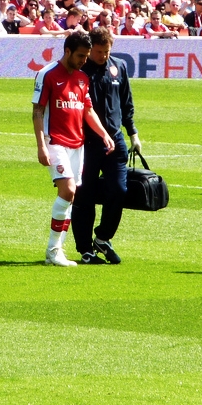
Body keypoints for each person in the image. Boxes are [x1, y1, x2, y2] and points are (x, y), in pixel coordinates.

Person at [32, 31, 115, 267]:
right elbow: (37, 111)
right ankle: (53, 250)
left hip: (77, 144)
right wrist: (41, 145)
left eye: (86, 56)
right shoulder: (47, 74)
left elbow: (87, 110)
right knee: (67, 191)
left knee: (70, 197)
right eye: (80, 56)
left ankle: (57, 250)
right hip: (55, 141)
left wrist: (104, 134)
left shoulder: (82, 78)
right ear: (67, 51)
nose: (84, 60)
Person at [71, 27, 141, 265]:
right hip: (86, 142)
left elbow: (126, 101)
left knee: (119, 190)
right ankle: (84, 249)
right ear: (91, 49)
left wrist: (133, 134)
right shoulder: (80, 71)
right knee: (85, 196)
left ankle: (102, 238)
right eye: (98, 52)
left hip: (115, 139)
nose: (102, 56)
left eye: (106, 51)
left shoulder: (119, 66)